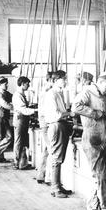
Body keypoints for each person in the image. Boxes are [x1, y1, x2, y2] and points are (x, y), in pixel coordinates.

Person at [72, 73, 106, 210]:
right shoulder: (87, 92)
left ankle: (101, 207)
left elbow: (101, 114)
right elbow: (76, 106)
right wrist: (96, 114)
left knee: (101, 175)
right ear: (100, 82)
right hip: (92, 138)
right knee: (98, 175)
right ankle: (93, 209)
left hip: (102, 138)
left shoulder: (102, 95)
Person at [43, 70, 74, 198]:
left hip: (60, 125)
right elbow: (55, 114)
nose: (66, 81)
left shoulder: (59, 93)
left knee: (59, 158)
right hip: (56, 126)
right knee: (56, 157)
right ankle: (55, 188)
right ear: (56, 80)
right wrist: (70, 114)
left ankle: (58, 186)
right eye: (64, 79)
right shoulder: (51, 94)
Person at [12, 76, 36, 170]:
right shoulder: (17, 95)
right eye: (27, 84)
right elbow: (23, 110)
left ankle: (22, 163)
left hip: (23, 119)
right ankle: (16, 162)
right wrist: (35, 110)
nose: (28, 85)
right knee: (19, 142)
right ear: (22, 84)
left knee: (23, 141)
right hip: (20, 119)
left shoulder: (21, 94)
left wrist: (31, 106)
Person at [35, 72, 54, 185]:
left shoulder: (44, 90)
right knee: (52, 150)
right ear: (52, 80)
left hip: (44, 122)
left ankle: (41, 174)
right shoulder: (48, 92)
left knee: (47, 149)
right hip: (46, 123)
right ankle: (49, 178)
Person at [0, 77, 13, 162]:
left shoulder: (6, 93)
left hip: (5, 117)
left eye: (7, 83)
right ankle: (0, 157)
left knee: (9, 136)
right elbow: (5, 104)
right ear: (0, 84)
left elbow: (14, 98)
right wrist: (16, 107)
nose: (7, 85)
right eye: (5, 84)